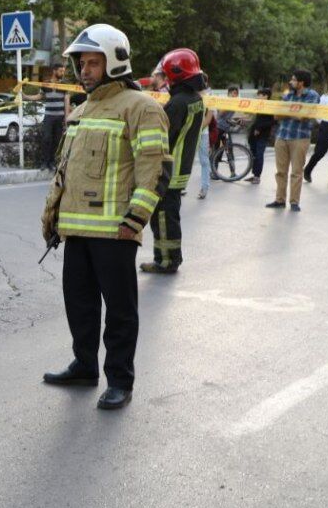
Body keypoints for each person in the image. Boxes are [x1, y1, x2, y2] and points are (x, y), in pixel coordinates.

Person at [40, 23, 172, 411]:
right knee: (78, 305)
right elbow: (65, 171)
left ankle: (120, 380)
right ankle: (84, 366)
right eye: (82, 64)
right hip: (77, 229)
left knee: (119, 311)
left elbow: (155, 170)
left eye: (92, 63)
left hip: (115, 232)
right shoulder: (81, 109)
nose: (84, 71)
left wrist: (135, 220)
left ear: (115, 62)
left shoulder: (142, 108)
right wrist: (52, 216)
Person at [141, 48, 206, 275]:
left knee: (162, 218)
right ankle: (170, 258)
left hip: (168, 169)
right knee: (170, 216)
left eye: (167, 74)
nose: (165, 79)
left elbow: (164, 138)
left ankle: (166, 261)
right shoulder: (195, 99)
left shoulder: (177, 103)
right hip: (181, 169)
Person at [267, 69, 321, 212]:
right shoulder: (288, 94)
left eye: (293, 80)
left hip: (300, 137)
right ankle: (279, 200)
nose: (291, 82)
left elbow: (304, 117)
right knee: (280, 171)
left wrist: (287, 112)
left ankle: (294, 202)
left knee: (296, 172)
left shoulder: (312, 96)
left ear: (301, 82)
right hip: (282, 135)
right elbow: (276, 116)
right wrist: (293, 112)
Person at [304, 72, 328, 186]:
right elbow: (318, 111)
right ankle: (307, 170)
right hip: (327, 127)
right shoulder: (327, 96)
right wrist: (322, 123)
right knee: (320, 152)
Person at [38, 65, 70, 170]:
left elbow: (66, 101)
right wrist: (25, 96)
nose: (62, 73)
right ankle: (44, 162)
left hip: (59, 116)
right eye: (61, 71)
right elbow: (40, 96)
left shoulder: (64, 85)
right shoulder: (46, 83)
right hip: (49, 116)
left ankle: (52, 162)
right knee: (46, 139)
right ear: (54, 71)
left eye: (63, 71)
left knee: (57, 141)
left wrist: (66, 118)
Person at [246, 88, 276, 184]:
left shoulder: (270, 106)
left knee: (259, 155)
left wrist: (259, 128)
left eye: (260, 95)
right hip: (254, 134)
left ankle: (257, 176)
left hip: (262, 135)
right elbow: (256, 119)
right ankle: (254, 174)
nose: (258, 97)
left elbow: (273, 121)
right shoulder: (260, 105)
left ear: (266, 96)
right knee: (253, 154)